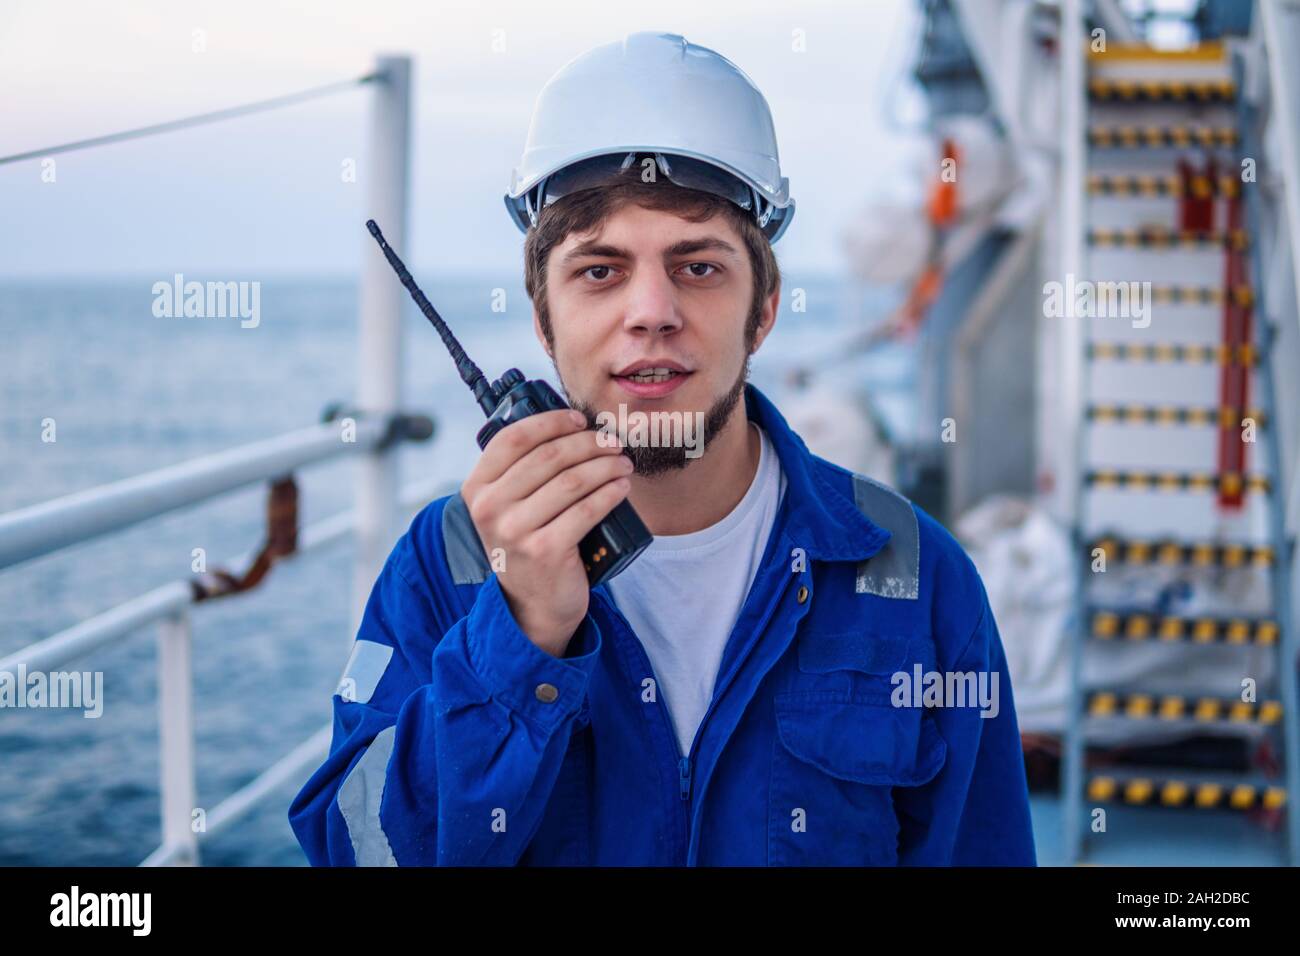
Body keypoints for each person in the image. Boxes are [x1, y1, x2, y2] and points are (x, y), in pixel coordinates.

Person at [288, 30, 1036, 866]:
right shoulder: (447, 563)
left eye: (699, 267)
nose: (652, 311)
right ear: (543, 320)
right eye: (599, 271)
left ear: (765, 309)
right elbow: (353, 851)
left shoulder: (917, 579)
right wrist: (520, 636)